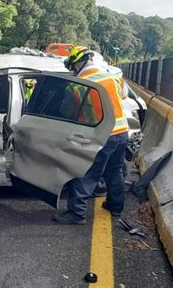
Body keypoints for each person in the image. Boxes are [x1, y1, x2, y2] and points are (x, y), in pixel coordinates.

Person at [53, 46, 129, 225]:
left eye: (72, 67)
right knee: (114, 171)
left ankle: (76, 213)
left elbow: (67, 111)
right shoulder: (112, 76)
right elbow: (124, 95)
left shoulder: (79, 85)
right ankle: (115, 206)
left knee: (86, 172)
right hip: (121, 132)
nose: (73, 71)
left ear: (78, 63)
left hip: (100, 135)